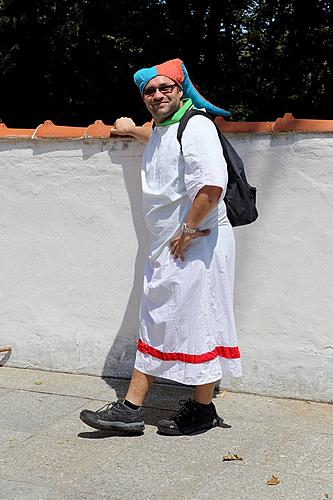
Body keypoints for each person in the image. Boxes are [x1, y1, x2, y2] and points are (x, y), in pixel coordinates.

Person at [80, 58, 241, 436]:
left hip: (195, 242)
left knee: (186, 318)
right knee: (186, 318)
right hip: (176, 243)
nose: (156, 95)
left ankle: (133, 408)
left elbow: (212, 185)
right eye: (149, 91)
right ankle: (199, 408)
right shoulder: (167, 128)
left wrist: (187, 229)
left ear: (180, 90)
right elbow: (160, 142)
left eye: (164, 88)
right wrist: (131, 129)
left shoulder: (197, 125)